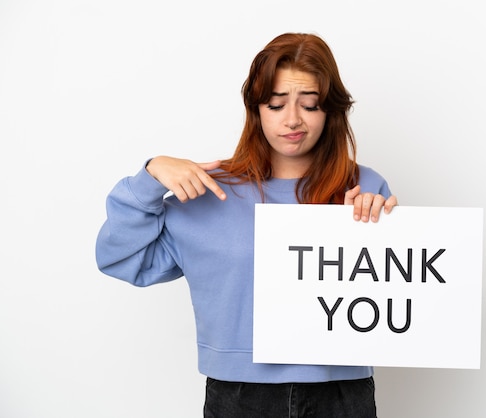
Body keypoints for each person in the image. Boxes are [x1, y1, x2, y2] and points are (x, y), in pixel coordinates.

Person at [96, 32, 397, 418]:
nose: (292, 120)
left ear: (330, 111)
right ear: (256, 109)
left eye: (310, 105)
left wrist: (381, 223)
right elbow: (119, 259)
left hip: (341, 392)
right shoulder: (208, 190)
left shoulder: (366, 186)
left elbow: (393, 296)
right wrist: (150, 176)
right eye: (275, 104)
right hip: (239, 397)